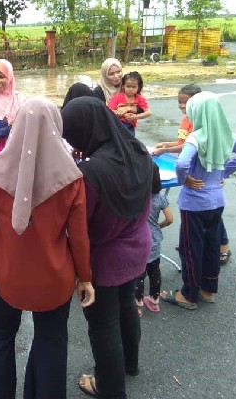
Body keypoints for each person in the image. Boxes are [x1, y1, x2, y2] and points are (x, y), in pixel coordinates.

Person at [0, 98, 95, 399]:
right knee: (51, 341)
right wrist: (86, 278)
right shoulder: (72, 176)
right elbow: (79, 236)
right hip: (54, 276)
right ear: (56, 127)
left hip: (5, 271)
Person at [61, 96, 153, 399]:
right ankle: (130, 364)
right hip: (138, 245)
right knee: (127, 304)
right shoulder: (138, 151)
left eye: (73, 136)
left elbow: (79, 224)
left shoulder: (90, 174)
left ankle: (109, 387)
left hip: (105, 258)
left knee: (103, 323)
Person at [161, 92, 236, 310]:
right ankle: (208, 289)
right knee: (212, 246)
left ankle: (188, 295)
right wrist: (223, 172)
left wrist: (185, 179)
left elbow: (181, 164)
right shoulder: (227, 135)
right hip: (217, 200)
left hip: (194, 204)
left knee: (190, 248)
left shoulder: (196, 137)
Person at [152, 84, 233, 265]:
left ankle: (223, 247)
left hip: (201, 175)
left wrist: (224, 173)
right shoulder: (186, 120)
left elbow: (191, 146)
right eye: (179, 102)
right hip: (191, 172)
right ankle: (191, 242)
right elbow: (183, 142)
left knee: (211, 212)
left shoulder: (201, 122)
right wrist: (166, 145)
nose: (182, 106)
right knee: (197, 213)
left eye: (186, 102)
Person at [135, 163, 173, 316]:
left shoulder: (136, 198)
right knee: (155, 272)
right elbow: (170, 219)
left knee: (139, 275)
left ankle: (137, 306)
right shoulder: (160, 198)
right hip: (155, 241)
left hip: (139, 241)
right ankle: (154, 301)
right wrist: (158, 226)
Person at [107, 71, 151, 136]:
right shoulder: (117, 97)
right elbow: (109, 111)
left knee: (130, 141)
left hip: (130, 126)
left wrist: (136, 117)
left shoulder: (140, 98)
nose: (130, 89)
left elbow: (148, 113)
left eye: (134, 87)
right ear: (123, 86)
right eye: (128, 86)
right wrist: (120, 113)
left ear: (138, 87)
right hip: (117, 125)